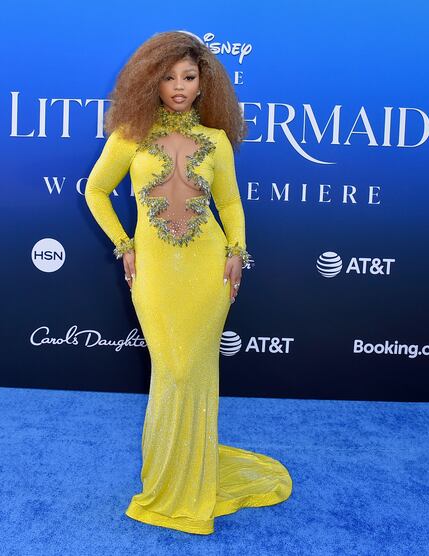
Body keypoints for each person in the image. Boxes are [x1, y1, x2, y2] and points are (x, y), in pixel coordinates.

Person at [84, 30, 292, 535]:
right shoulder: (130, 136)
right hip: (154, 273)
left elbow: (230, 204)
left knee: (195, 372)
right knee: (171, 370)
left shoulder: (217, 141)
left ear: (204, 84)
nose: (179, 87)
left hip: (207, 273)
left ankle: (192, 480)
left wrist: (237, 252)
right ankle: (167, 480)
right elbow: (96, 190)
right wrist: (124, 244)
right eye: (169, 77)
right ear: (151, 81)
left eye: (189, 77)